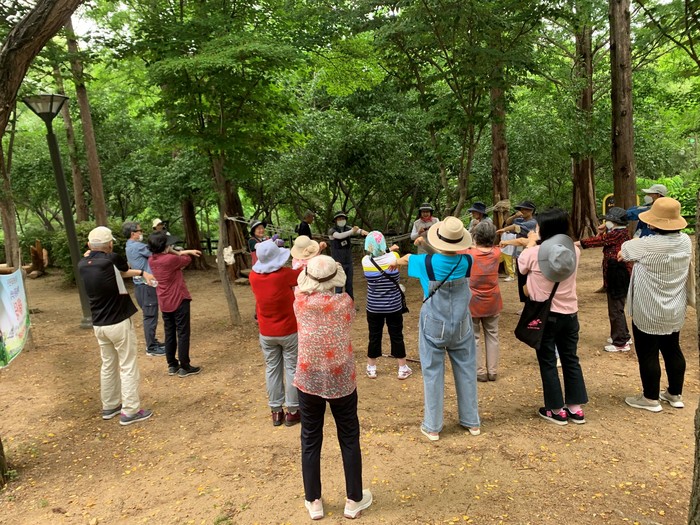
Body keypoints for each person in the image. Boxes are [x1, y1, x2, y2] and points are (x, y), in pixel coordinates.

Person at [294, 255, 373, 520]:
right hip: (341, 377)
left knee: (310, 438)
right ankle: (354, 499)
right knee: (349, 436)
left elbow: (301, 287)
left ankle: (313, 500)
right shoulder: (345, 303)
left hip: (309, 376)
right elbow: (347, 317)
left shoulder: (299, 302)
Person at [395, 216, 480, 440]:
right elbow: (448, 256)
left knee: (432, 372)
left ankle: (432, 426)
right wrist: (425, 244)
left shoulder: (425, 263)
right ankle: (472, 422)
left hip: (434, 323)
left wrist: (400, 257)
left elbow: (406, 259)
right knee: (467, 370)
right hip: (462, 323)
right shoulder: (467, 261)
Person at [619, 197, 692, 412]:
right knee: (672, 349)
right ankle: (675, 394)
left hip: (647, 308)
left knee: (648, 352)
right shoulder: (685, 241)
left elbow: (625, 250)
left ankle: (650, 398)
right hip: (674, 307)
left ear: (653, 223)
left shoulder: (645, 244)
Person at [518, 209, 588, 426]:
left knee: (548, 361)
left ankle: (556, 410)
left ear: (545, 228)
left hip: (545, 316)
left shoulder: (533, 253)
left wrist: (531, 242)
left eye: (538, 225)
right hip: (570, 313)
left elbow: (521, 268)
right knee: (570, 358)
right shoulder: (574, 251)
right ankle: (576, 408)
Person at [78, 226, 154, 426]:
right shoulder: (111, 258)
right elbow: (123, 267)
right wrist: (143, 272)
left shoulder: (82, 264)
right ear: (110, 245)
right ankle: (130, 411)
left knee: (108, 364)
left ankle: (110, 405)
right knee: (127, 365)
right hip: (118, 322)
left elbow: (119, 273)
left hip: (99, 324)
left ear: (88, 245)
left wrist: (141, 272)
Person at [249, 240, 302, 426]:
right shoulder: (284, 275)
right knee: (291, 367)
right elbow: (302, 274)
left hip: (266, 331)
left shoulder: (253, 277)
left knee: (272, 369)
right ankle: (293, 410)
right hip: (288, 329)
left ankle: (276, 411)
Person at [576, 207, 632, 352]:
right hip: (617, 273)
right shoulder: (620, 232)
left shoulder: (616, 234)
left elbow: (596, 241)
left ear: (614, 221)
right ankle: (623, 335)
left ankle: (620, 342)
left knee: (615, 309)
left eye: (608, 220)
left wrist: (576, 243)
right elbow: (600, 237)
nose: (605, 222)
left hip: (617, 274)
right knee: (617, 307)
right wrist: (602, 230)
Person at [147, 233, 202, 378]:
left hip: (164, 301)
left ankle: (172, 364)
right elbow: (187, 259)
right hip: (178, 299)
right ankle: (185, 366)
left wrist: (169, 250)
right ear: (164, 246)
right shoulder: (170, 259)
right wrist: (177, 251)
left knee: (170, 332)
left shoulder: (151, 260)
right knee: (183, 333)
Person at [361, 231, 412, 380]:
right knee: (396, 335)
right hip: (393, 306)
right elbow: (390, 259)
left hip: (373, 306)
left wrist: (388, 250)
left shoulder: (365, 261)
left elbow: (376, 254)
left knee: (374, 336)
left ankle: (371, 368)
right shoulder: (394, 257)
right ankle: (402, 368)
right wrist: (390, 250)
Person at [461, 221, 502, 382]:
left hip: (473, 301)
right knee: (493, 334)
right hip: (493, 300)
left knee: (474, 336)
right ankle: (492, 371)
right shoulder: (497, 252)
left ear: (476, 236)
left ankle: (479, 371)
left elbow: (454, 248)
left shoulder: (468, 253)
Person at [123, 221, 165, 357]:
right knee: (150, 315)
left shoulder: (129, 246)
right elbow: (156, 251)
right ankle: (151, 347)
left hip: (140, 285)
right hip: (146, 285)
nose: (141, 233)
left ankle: (153, 342)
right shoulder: (137, 246)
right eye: (139, 230)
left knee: (150, 314)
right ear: (133, 233)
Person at [497, 201, 537, 305]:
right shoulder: (520, 219)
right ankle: (525, 303)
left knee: (529, 278)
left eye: (525, 209)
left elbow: (515, 227)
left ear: (531, 211)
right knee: (521, 279)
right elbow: (508, 222)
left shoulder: (532, 222)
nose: (522, 211)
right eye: (521, 209)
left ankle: (530, 302)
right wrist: (515, 216)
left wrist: (504, 229)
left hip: (529, 253)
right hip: (520, 253)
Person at [328, 211, 368, 300]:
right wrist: (352, 231)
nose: (341, 220)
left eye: (343, 218)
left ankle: (350, 303)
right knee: (338, 286)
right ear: (335, 220)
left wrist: (365, 232)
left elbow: (358, 230)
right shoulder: (332, 231)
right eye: (339, 219)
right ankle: (338, 305)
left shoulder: (348, 228)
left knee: (349, 285)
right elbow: (340, 236)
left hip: (348, 261)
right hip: (338, 263)